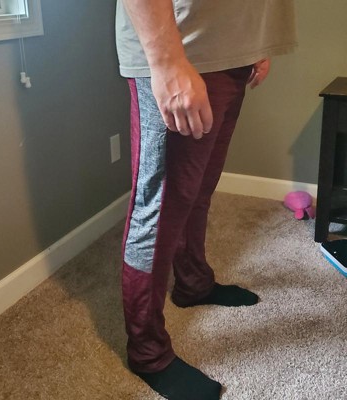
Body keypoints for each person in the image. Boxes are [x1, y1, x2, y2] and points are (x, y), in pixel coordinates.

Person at [115, 1, 297, 399]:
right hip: (183, 51)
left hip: (233, 52)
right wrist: (167, 63)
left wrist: (255, 42)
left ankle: (194, 283)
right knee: (160, 208)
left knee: (198, 190)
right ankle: (147, 352)